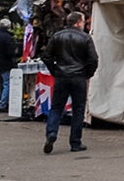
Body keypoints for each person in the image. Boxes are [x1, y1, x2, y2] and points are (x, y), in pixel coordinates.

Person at [41, 10, 99, 153]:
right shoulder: (85, 38)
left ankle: (52, 133)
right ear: (78, 22)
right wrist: (88, 73)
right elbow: (93, 59)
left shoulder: (57, 36)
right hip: (78, 76)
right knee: (78, 110)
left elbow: (47, 56)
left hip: (61, 76)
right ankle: (75, 142)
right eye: (84, 21)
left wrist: (55, 70)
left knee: (56, 107)